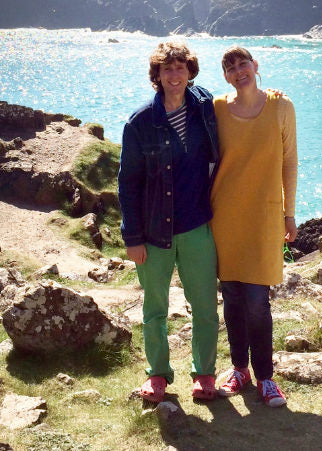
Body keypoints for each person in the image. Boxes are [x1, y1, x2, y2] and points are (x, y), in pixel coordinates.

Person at [118, 41, 221, 403]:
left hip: (197, 227)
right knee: (155, 308)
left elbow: (241, 105)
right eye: (167, 69)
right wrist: (132, 237)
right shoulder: (140, 122)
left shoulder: (205, 108)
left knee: (206, 306)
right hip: (153, 232)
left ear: (190, 73)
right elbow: (127, 182)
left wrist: (270, 94)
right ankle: (157, 375)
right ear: (157, 77)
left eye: (180, 68)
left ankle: (205, 374)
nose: (174, 75)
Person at [209, 45, 298, 407]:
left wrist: (288, 213)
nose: (238, 71)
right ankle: (238, 369)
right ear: (226, 75)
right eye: (230, 67)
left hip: (264, 216)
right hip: (224, 215)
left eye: (243, 63)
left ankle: (265, 377)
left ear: (255, 66)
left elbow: (289, 161)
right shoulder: (215, 108)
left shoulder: (281, 106)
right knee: (231, 296)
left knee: (258, 301)